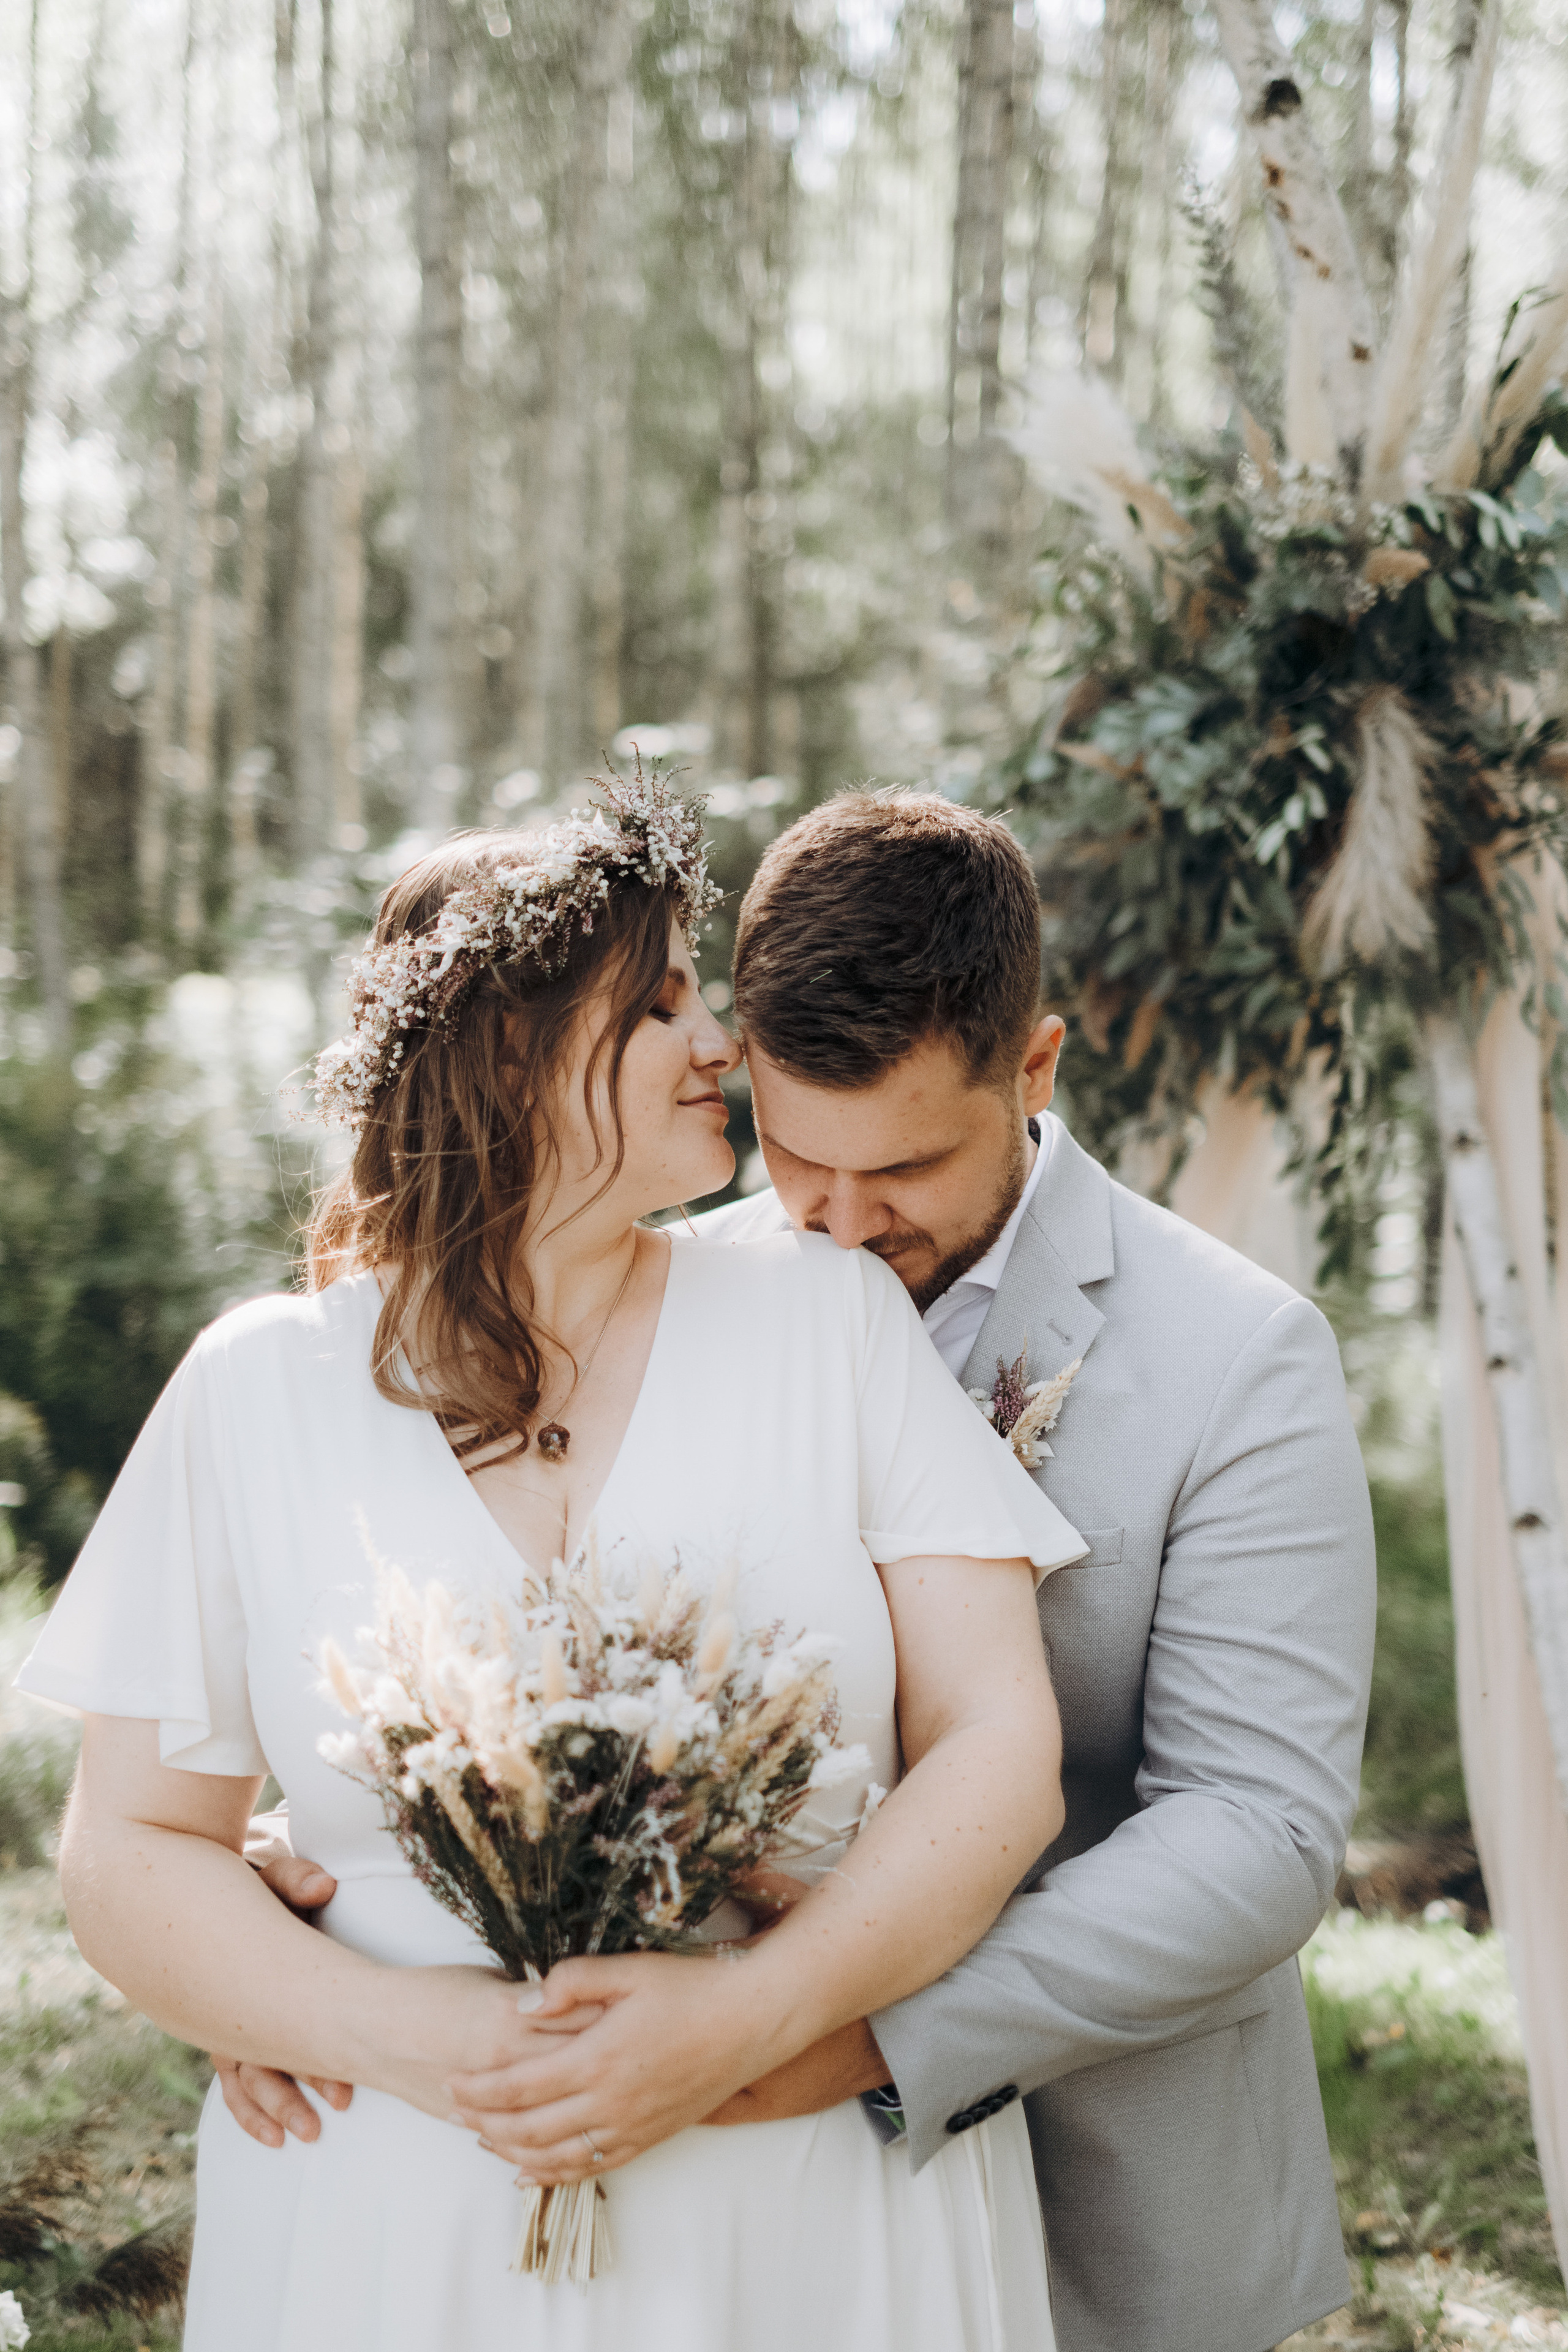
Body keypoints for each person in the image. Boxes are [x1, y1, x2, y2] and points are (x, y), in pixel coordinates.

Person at [231, 787, 1377, 2352]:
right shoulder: (663, 1292)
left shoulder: (1240, 1354)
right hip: (730, 2212)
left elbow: (1256, 1829)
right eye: (791, 1153)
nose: (835, 1222)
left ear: (1031, 1068)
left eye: (898, 1169)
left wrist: (856, 2033)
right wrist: (324, 1881)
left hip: (1102, 2177)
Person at [17, 771, 1087, 2352]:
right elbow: (126, 1856)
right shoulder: (261, 1387)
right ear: (511, 1056)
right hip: (397, 2212)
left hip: (799, 2199)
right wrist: (425, 2042)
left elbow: (1001, 1752)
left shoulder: (833, 1323)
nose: (720, 1043)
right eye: (659, 1004)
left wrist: (741, 2020)